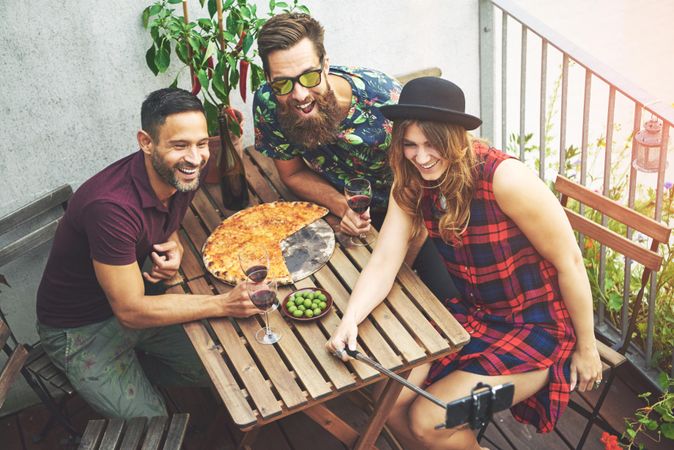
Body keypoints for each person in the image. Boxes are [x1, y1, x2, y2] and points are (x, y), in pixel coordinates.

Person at [326, 77, 603, 450]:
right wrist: (350, 320)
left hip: (537, 330)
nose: (421, 156)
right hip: (475, 316)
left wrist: (587, 347)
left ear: (455, 139)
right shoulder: (411, 183)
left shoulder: (504, 178)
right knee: (389, 404)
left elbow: (569, 260)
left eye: (431, 145)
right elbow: (385, 260)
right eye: (410, 145)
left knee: (427, 420)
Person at [36, 88, 261, 419]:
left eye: (200, 143)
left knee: (224, 368)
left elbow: (167, 223)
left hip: (136, 302)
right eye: (179, 145)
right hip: (80, 330)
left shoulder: (183, 174)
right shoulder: (111, 207)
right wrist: (223, 303)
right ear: (146, 142)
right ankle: (120, 376)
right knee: (152, 425)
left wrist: (176, 243)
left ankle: (134, 370)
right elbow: (131, 311)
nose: (196, 157)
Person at [254, 12, 458, 301]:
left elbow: (426, 188)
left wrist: (395, 276)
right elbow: (292, 174)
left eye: (309, 76)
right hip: (334, 211)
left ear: (325, 65)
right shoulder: (267, 102)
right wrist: (342, 207)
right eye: (283, 84)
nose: (299, 95)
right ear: (269, 80)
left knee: (443, 298)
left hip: (410, 207)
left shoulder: (386, 104)